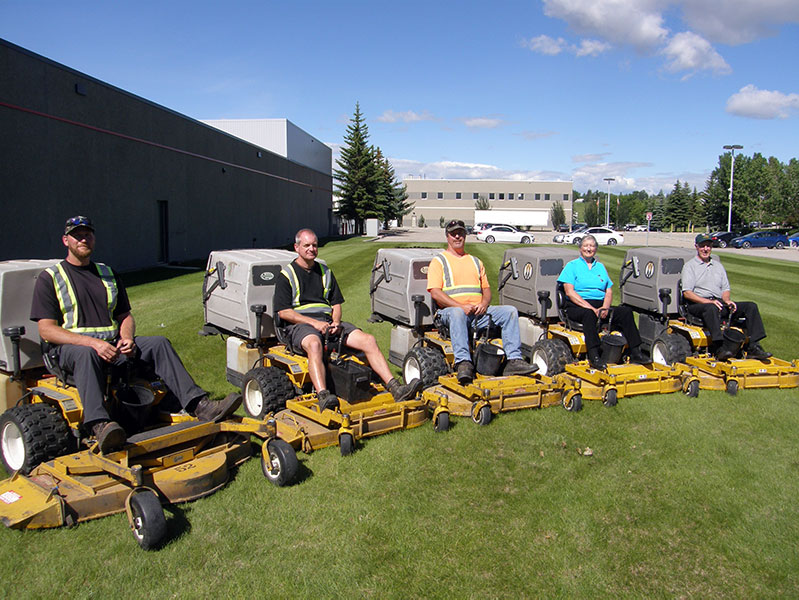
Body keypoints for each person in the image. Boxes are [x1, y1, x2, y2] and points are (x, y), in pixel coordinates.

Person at [30, 216, 241, 454]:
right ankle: (99, 425)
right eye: (77, 235)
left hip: (111, 345)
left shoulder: (107, 273)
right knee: (85, 354)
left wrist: (127, 338)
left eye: (87, 234)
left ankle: (198, 404)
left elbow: (125, 316)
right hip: (70, 351)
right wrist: (93, 344)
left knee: (158, 344)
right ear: (65, 240)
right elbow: (46, 329)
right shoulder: (51, 278)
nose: (83, 239)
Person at [274, 228, 421, 411]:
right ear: (297, 247)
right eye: (307, 245)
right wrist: (315, 324)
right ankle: (323, 395)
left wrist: (335, 322)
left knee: (368, 340)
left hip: (327, 322)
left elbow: (336, 304)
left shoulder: (325, 272)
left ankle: (395, 387)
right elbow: (284, 313)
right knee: (314, 344)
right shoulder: (286, 275)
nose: (311, 249)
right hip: (300, 326)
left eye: (314, 245)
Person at [426, 219, 537, 385]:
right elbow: (435, 292)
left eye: (461, 233)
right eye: (453, 234)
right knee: (457, 314)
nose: (457, 236)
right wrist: (460, 306)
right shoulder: (439, 261)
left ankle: (514, 360)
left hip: (478, 313)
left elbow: (486, 289)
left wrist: (484, 304)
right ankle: (463, 362)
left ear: (465, 235)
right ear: (447, 237)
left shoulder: (476, 262)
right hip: (449, 313)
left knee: (510, 311)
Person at [557, 234, 647, 369]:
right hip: (577, 306)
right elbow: (570, 292)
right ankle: (594, 355)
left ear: (596, 249)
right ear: (580, 248)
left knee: (625, 312)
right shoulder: (572, 266)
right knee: (588, 314)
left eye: (592, 246)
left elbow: (609, 290)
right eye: (586, 246)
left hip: (600, 305)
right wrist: (592, 309)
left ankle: (636, 351)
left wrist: (605, 307)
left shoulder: (600, 267)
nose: (589, 249)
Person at [681, 233, 770, 360]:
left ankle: (754, 345)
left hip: (718, 302)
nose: (705, 249)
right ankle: (719, 347)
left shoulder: (718, 266)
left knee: (751, 306)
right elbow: (687, 293)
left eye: (708, 246)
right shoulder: (690, 267)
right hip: (697, 305)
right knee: (711, 308)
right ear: (696, 247)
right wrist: (708, 302)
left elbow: (725, 288)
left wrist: (727, 300)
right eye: (702, 246)